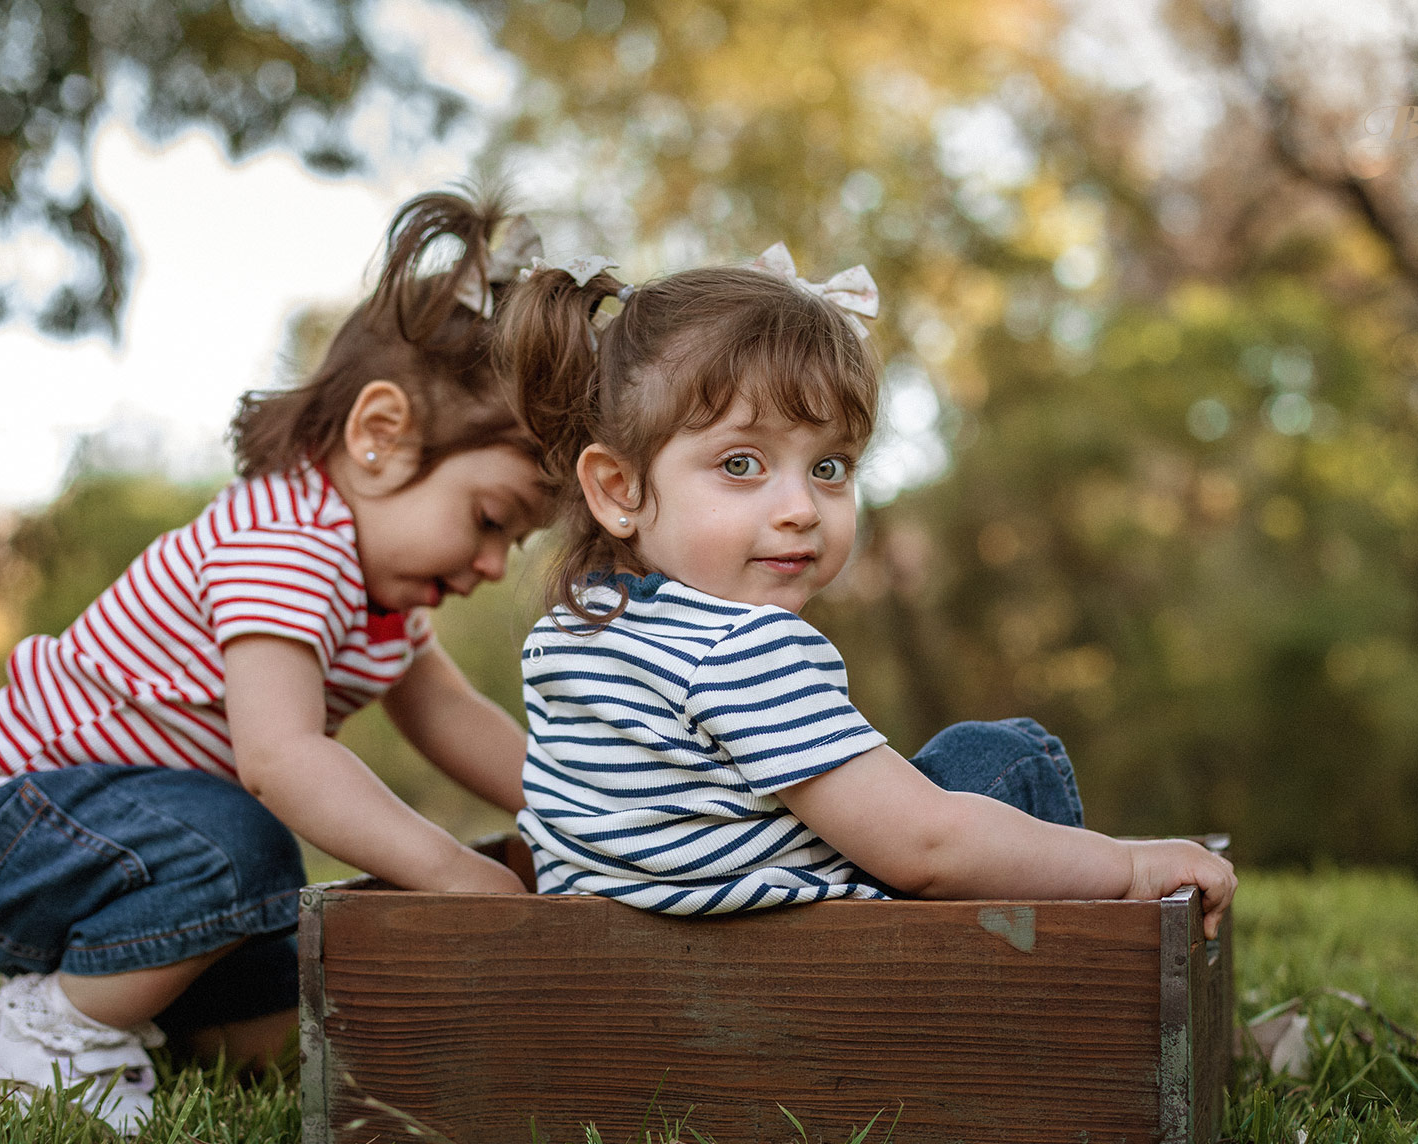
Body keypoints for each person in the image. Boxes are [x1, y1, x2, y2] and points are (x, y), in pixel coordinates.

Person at [0, 190, 549, 1135]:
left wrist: (583, 809)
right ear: (380, 437)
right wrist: (464, 874)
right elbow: (281, 759)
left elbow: (454, 719)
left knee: (281, 992)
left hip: (116, 839)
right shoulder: (285, 540)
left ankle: (105, 1008)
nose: (494, 564)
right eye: (491, 520)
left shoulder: (378, 591)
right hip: (12, 822)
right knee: (246, 852)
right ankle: (47, 1038)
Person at [493, 245, 1236, 928]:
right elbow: (926, 846)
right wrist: (1131, 865)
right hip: (824, 969)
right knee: (1005, 756)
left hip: (629, 962)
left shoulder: (572, 631)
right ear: (617, 487)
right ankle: (1100, 1000)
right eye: (741, 464)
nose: (800, 510)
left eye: (829, 468)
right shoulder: (743, 647)